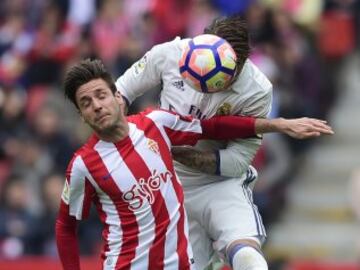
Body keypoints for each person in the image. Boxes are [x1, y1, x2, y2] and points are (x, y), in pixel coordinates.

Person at [56, 59, 332, 270]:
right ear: (82, 116)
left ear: (117, 97)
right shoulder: (83, 165)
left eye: (101, 95)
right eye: (86, 103)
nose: (96, 105)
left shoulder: (155, 124)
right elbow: (65, 226)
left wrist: (279, 125)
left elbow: (213, 127)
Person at [115, 16, 329, 270]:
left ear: (240, 63)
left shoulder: (257, 90)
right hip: (167, 183)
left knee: (247, 257)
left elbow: (238, 160)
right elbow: (121, 91)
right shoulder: (170, 53)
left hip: (219, 183)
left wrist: (180, 152)